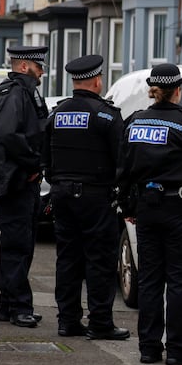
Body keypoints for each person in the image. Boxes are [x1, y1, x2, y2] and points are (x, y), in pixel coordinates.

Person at [117, 63, 182, 365]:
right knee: (178, 280)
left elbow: (123, 170)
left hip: (146, 209)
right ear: (178, 91)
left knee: (149, 280)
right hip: (179, 209)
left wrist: (129, 207)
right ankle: (176, 349)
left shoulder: (135, 122)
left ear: (154, 91)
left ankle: (148, 348)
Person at [43, 54, 130, 340]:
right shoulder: (106, 115)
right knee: (100, 259)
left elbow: (46, 157)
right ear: (96, 80)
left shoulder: (56, 113)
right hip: (95, 197)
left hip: (62, 194)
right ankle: (100, 323)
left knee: (68, 258)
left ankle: (67, 321)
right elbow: (122, 161)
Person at [0, 46, 49, 328]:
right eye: (39, 67)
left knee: (19, 245)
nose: (43, 72)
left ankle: (9, 305)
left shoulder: (22, 92)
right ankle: (18, 307)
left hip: (17, 179)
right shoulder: (15, 93)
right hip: (15, 181)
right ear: (25, 66)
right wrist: (32, 164)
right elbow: (10, 134)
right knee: (18, 246)